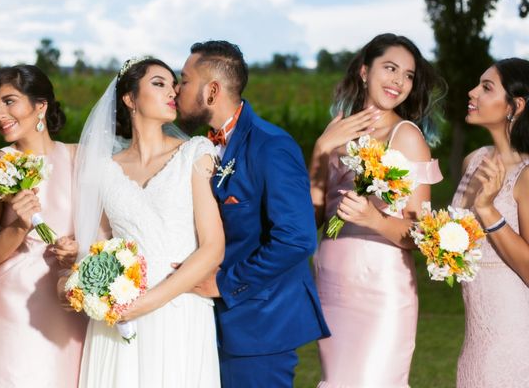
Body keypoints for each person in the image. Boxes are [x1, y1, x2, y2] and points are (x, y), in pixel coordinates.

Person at [175, 40, 330, 388]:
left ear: (211, 91)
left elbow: (298, 238)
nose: (176, 88)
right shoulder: (199, 146)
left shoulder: (271, 146)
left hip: (259, 325)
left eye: (184, 80)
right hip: (204, 323)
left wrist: (225, 283)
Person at [74, 57, 224, 387]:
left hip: (179, 306)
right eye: (159, 83)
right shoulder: (103, 169)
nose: (172, 90)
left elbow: (212, 247)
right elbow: (98, 247)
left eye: (173, 84)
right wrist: (92, 288)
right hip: (121, 315)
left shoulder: (195, 153)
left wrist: (150, 302)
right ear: (129, 98)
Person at [309, 33, 444, 387]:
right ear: (365, 72)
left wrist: (373, 218)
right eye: (390, 68)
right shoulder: (337, 131)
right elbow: (317, 219)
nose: (399, 81)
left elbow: (421, 235)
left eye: (409, 75)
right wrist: (321, 149)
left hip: (381, 289)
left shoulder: (407, 136)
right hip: (332, 281)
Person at [0, 65, 87, 388]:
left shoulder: (79, 159)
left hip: (68, 301)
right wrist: (18, 229)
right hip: (11, 307)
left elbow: (105, 231)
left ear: (40, 105)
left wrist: (80, 249)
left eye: (9, 101)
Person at [452, 58, 529, 387]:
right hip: (475, 341)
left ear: (516, 106)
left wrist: (487, 208)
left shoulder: (526, 175)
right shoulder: (474, 160)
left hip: (513, 340)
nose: (472, 92)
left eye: (486, 87)